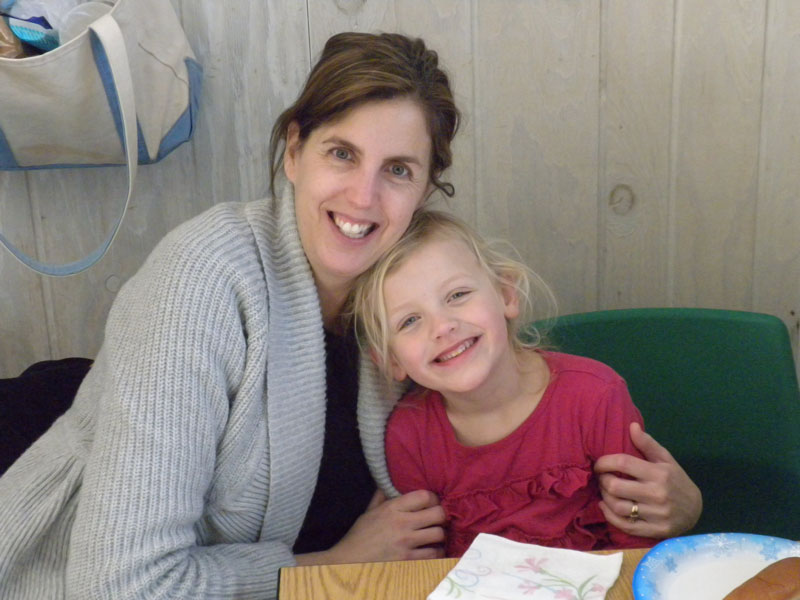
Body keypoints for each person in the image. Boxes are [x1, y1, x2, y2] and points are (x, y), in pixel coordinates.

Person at [0, 32, 700, 600]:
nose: (364, 197)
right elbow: (120, 586)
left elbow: (511, 460)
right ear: (295, 152)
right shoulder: (202, 282)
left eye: (398, 169)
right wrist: (324, 564)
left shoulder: (414, 298)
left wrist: (674, 507)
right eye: (342, 153)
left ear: (426, 187)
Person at [351, 209, 665, 556]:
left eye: (457, 295)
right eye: (409, 320)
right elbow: (422, 565)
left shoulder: (595, 397)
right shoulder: (410, 437)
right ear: (392, 361)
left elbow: (639, 541)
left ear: (506, 295)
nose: (442, 327)